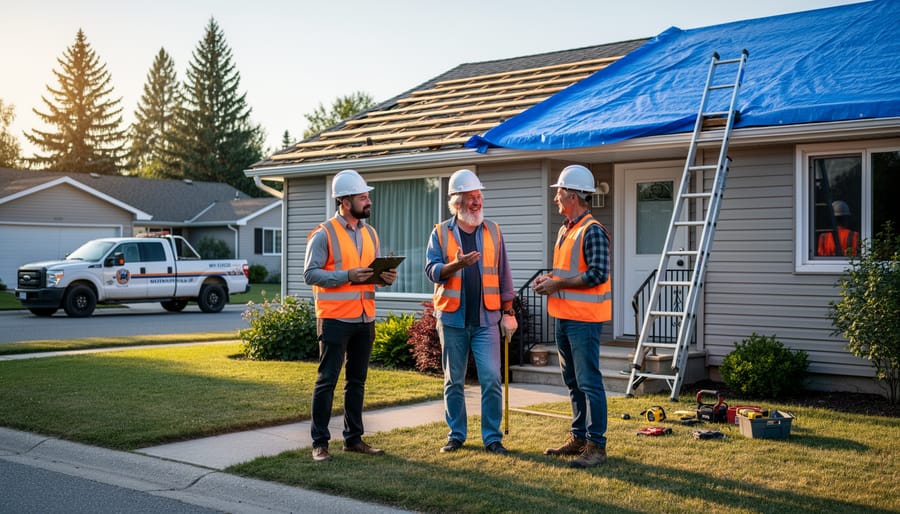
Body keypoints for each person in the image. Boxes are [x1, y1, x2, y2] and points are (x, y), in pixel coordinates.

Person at [303, 169, 398, 462]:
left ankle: (353, 439)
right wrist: (346, 275)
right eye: (362, 197)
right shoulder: (323, 234)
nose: (368, 201)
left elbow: (368, 275)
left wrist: (384, 278)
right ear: (345, 202)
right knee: (327, 381)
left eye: (367, 196)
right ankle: (320, 443)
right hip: (334, 318)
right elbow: (310, 274)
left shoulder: (370, 233)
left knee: (357, 381)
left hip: (364, 318)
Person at [425, 169, 517, 455]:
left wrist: (509, 311)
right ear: (456, 202)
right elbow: (431, 271)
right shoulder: (440, 233)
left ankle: (492, 437)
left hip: (486, 320)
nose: (477, 203)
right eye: (470, 198)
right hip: (452, 319)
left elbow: (504, 273)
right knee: (454, 380)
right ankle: (456, 435)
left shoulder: (493, 230)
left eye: (479, 197)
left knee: (491, 378)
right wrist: (455, 266)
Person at [532, 164, 610, 468]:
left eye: (559, 192)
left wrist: (558, 283)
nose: (556, 198)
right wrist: (549, 279)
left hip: (584, 320)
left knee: (589, 381)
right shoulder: (566, 229)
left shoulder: (593, 231)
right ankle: (578, 437)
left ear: (574, 195)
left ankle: (597, 446)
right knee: (572, 381)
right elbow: (569, 271)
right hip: (564, 317)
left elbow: (597, 275)